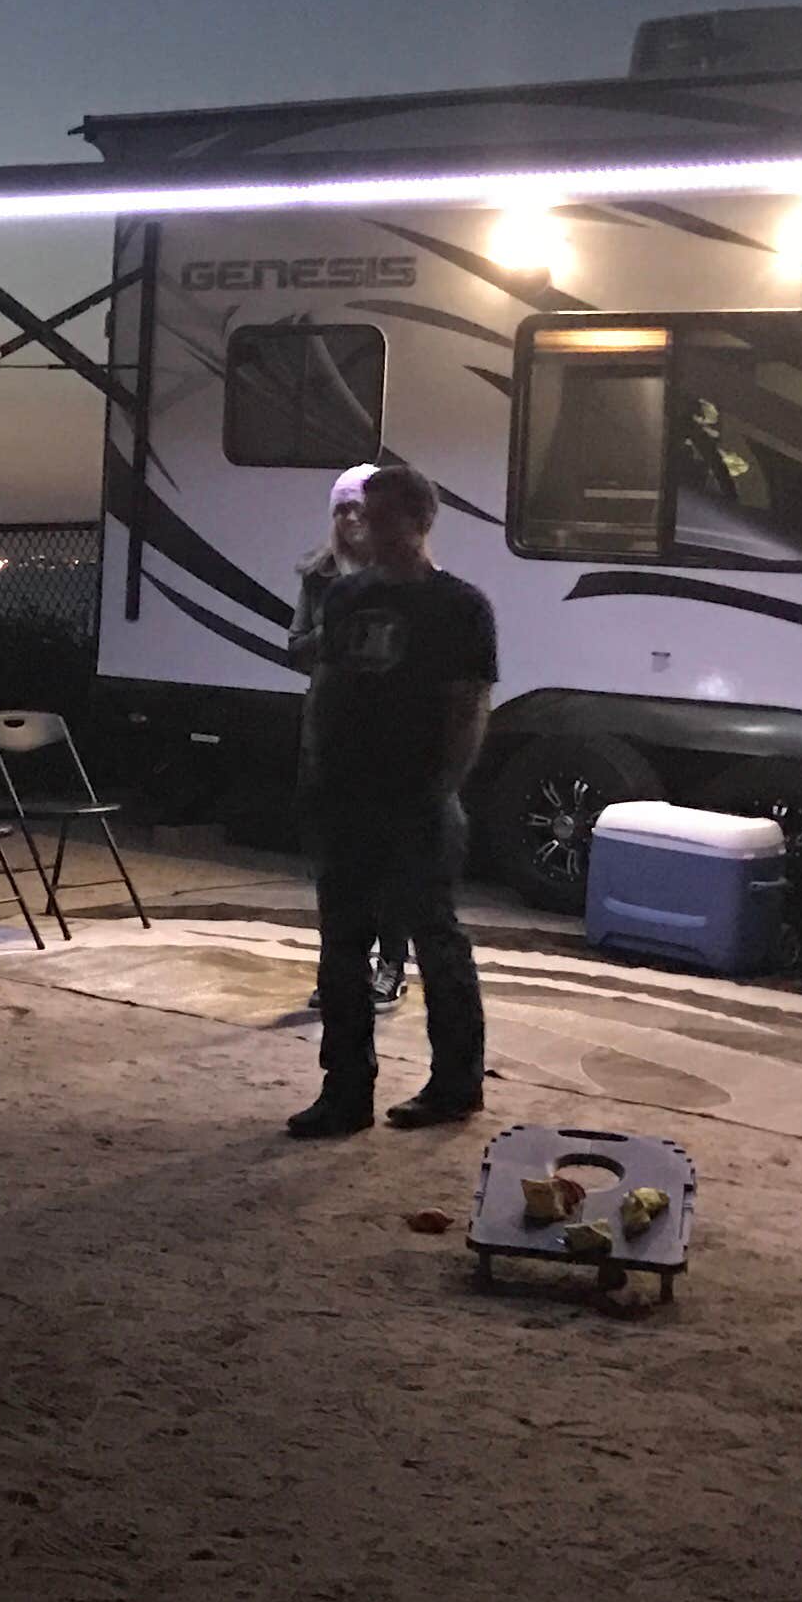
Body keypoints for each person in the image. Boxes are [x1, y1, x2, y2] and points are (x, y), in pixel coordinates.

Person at [283, 460, 497, 1138]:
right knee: (342, 946)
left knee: (436, 940)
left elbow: (470, 704)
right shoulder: (346, 598)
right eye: (362, 516)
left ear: (419, 520)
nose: (366, 530)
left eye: (380, 518)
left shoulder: (460, 606)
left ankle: (455, 1086)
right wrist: (316, 768)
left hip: (417, 797)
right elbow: (326, 686)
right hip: (346, 792)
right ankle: (345, 1091)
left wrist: (441, 787)